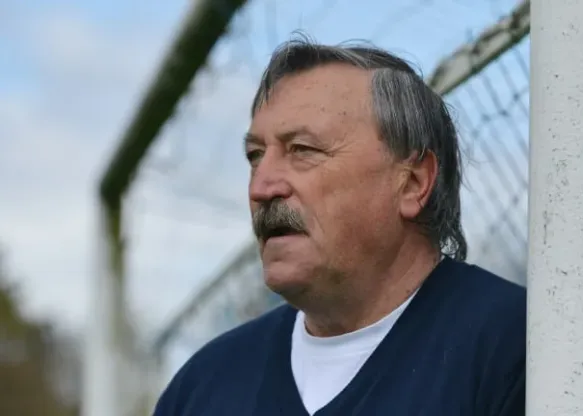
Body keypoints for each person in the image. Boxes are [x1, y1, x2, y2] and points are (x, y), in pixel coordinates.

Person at [153, 37, 526, 416]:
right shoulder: (202, 386)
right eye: (255, 156)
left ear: (412, 183)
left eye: (303, 149)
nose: (261, 188)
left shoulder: (519, 350)